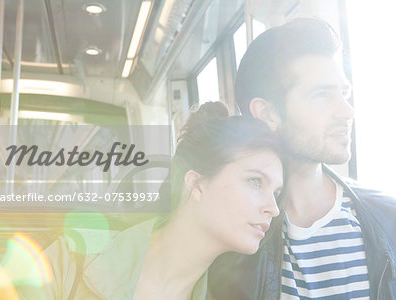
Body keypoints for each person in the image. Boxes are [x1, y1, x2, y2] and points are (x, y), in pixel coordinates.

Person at [209, 18, 396, 299]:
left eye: (344, 93)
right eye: (322, 95)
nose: (346, 111)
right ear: (267, 114)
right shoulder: (227, 245)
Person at [15, 102, 284, 300]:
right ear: (197, 185)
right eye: (255, 181)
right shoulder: (68, 260)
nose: (273, 208)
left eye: (276, 193)